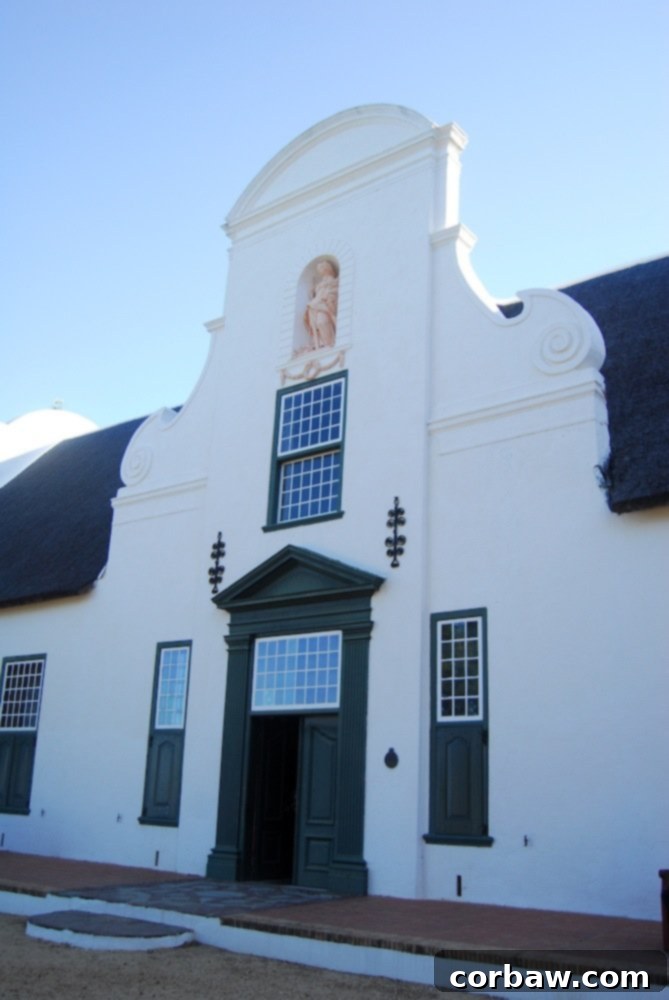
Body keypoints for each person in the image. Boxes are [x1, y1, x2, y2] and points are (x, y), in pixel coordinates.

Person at [304, 260, 338, 349]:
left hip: (325, 305)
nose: (321, 270)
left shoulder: (334, 281)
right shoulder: (320, 284)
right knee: (317, 323)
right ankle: (322, 342)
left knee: (322, 321)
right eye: (319, 269)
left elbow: (334, 292)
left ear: (327, 268)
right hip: (317, 305)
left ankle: (329, 343)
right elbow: (316, 294)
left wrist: (327, 296)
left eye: (322, 268)